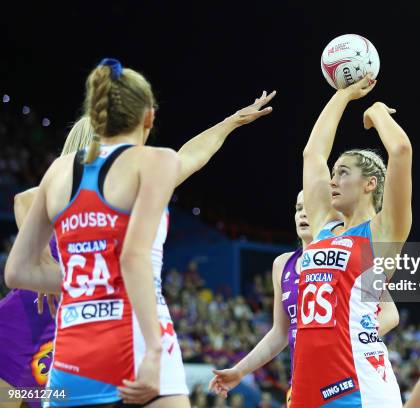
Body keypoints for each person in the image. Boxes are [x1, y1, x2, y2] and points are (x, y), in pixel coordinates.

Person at [4, 58, 274, 407]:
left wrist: (65, 272)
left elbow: (16, 269)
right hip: (135, 332)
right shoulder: (152, 164)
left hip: (73, 344)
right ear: (149, 117)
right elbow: (133, 256)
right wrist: (155, 348)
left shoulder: (58, 175)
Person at [208, 191, 400, 404]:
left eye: (309, 207)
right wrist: (239, 371)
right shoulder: (282, 265)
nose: (303, 214)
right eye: (298, 209)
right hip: (304, 383)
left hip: (348, 377)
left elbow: (390, 313)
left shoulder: (354, 255)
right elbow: (279, 333)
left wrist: (347, 336)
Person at [290, 73, 413, 406]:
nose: (332, 180)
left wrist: (376, 113)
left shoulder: (383, 232)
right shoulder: (323, 228)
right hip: (308, 379)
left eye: (342, 172)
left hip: (359, 378)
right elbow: (312, 155)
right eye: (333, 173)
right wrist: (342, 96)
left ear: (370, 184)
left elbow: (400, 151)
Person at [0, 117, 94, 408]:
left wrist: (229, 123)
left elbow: (184, 161)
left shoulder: (112, 202)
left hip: (64, 328)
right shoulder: (65, 188)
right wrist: (45, 264)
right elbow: (23, 200)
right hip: (23, 320)